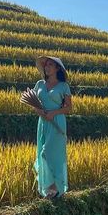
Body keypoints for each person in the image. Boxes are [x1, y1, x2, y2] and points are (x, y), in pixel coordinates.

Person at [32, 55, 73, 199]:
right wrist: (41, 112)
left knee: (50, 153)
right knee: (42, 152)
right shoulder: (39, 84)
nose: (47, 67)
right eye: (46, 65)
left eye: (50, 65)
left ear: (57, 68)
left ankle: (55, 187)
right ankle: (51, 189)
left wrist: (54, 112)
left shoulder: (63, 86)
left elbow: (69, 108)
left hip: (57, 123)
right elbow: (33, 103)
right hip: (43, 122)